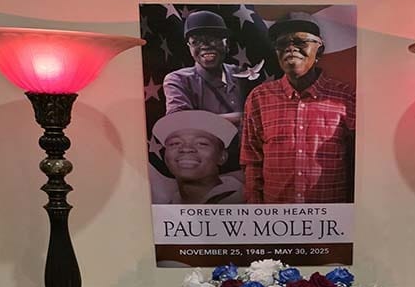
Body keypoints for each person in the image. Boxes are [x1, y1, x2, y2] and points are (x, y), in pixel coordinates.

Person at [241, 13, 356, 204]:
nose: (291, 48)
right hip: (275, 221)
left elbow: (358, 163)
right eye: (282, 43)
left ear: (319, 51)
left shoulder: (346, 97)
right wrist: (256, 211)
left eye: (300, 42)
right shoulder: (259, 98)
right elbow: (252, 160)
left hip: (330, 221)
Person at [163, 10, 245, 125]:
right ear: (189, 47)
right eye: (196, 41)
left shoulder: (242, 74)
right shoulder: (178, 80)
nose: (205, 46)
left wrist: (202, 120)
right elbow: (178, 122)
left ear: (227, 44)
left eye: (213, 39)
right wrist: (243, 117)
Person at [151, 110, 244, 204]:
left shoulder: (244, 199)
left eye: (201, 143)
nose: (186, 149)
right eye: (175, 143)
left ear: (222, 157)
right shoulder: (169, 205)